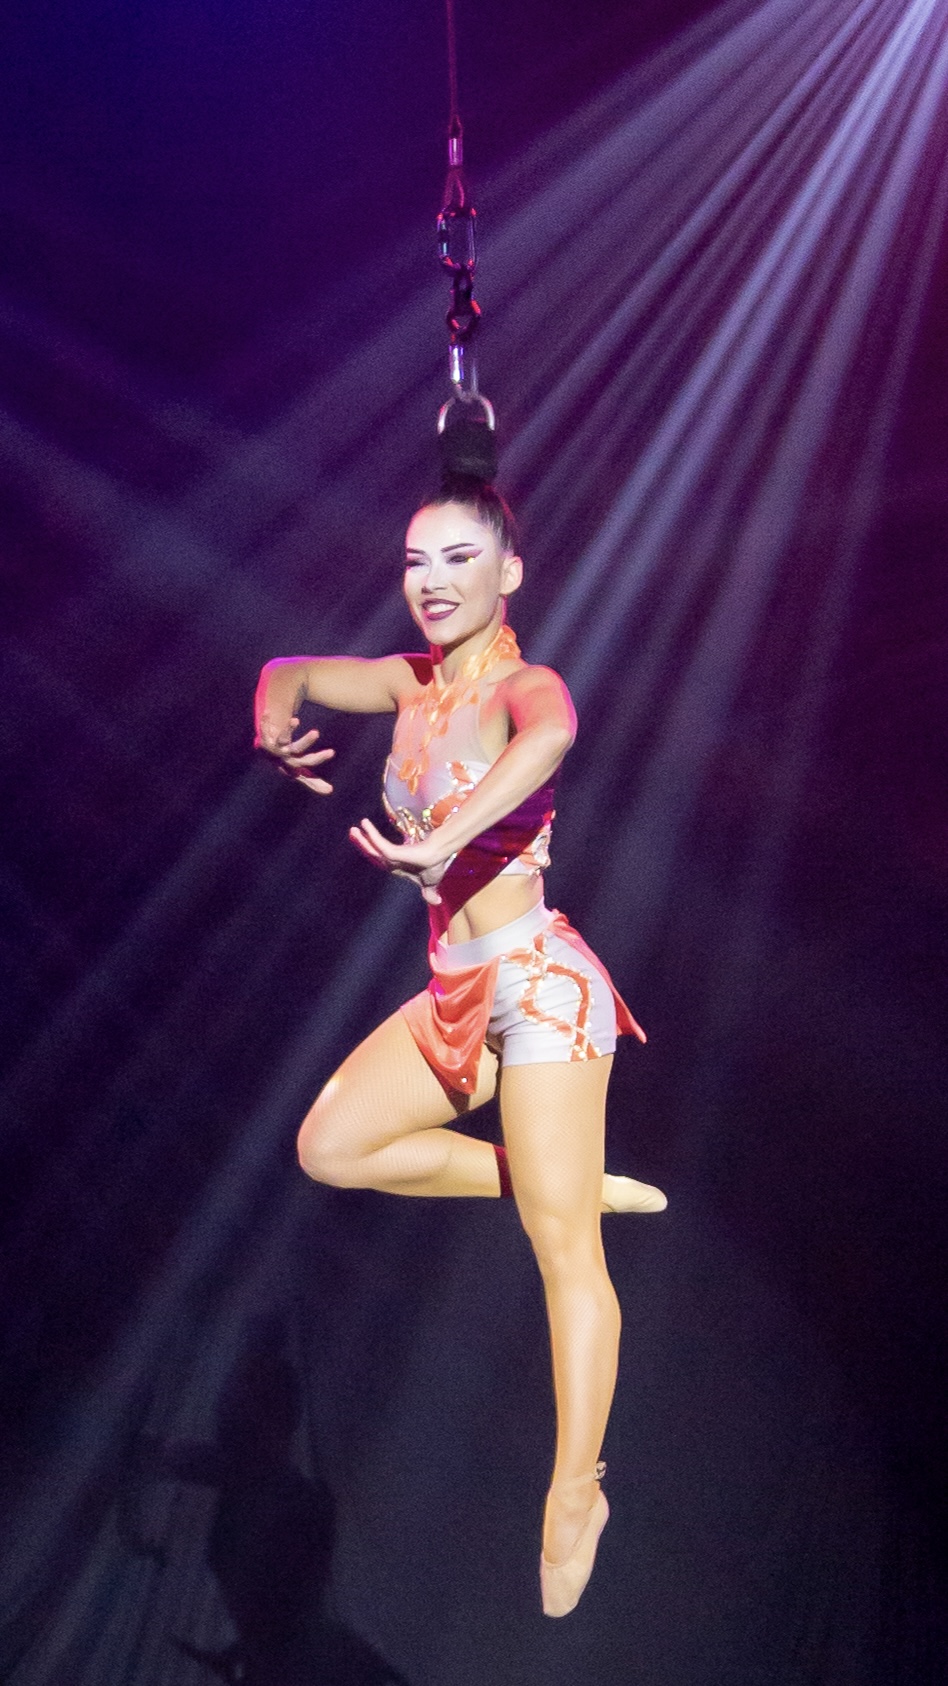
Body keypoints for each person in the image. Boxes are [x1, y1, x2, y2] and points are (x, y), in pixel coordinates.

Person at [254, 473, 667, 1618]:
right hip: (455, 991)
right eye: (415, 563)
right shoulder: (407, 683)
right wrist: (271, 719)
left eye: (456, 561)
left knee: (561, 1258)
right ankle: (570, 1185)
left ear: (508, 574)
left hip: (539, 988)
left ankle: (577, 1490)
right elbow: (288, 669)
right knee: (331, 1147)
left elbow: (555, 740)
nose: (430, 584)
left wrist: (457, 830)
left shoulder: (522, 686)